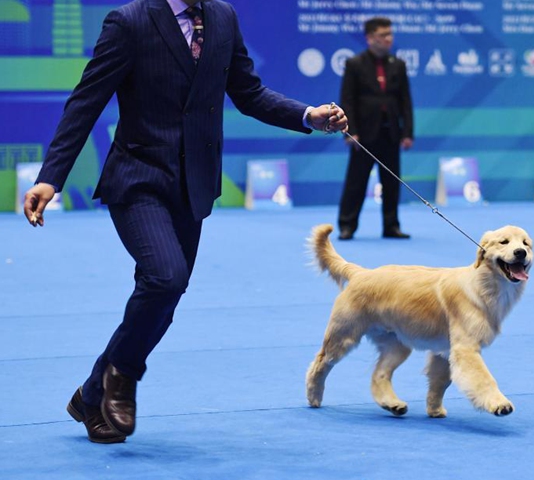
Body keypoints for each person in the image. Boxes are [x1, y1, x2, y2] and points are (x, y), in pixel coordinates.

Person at [23, 0, 348, 444]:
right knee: (165, 279)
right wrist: (50, 178)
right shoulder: (129, 21)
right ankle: (123, 378)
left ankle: (91, 392)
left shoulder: (222, 17)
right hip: (137, 179)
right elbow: (87, 100)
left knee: (163, 300)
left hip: (193, 184)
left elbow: (248, 93)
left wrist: (307, 115)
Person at [337, 17, 413, 240]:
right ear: (370, 38)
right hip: (363, 134)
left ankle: (391, 226)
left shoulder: (398, 65)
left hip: (391, 133)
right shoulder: (355, 64)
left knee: (391, 182)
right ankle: (347, 225)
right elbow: (347, 100)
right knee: (356, 182)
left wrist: (407, 132)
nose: (388, 39)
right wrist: (351, 131)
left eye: (390, 34)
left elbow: (405, 102)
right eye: (383, 35)